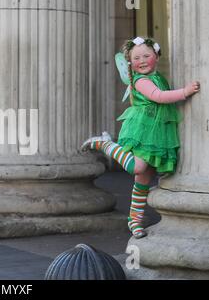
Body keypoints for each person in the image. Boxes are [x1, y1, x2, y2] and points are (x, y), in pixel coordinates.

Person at [81, 37, 201, 239]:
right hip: (143, 129)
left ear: (156, 55)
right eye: (136, 58)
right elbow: (160, 97)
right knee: (137, 167)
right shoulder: (141, 80)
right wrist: (185, 92)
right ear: (130, 63)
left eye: (147, 55)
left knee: (143, 178)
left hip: (157, 131)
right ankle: (105, 144)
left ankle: (134, 220)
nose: (142, 60)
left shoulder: (158, 77)